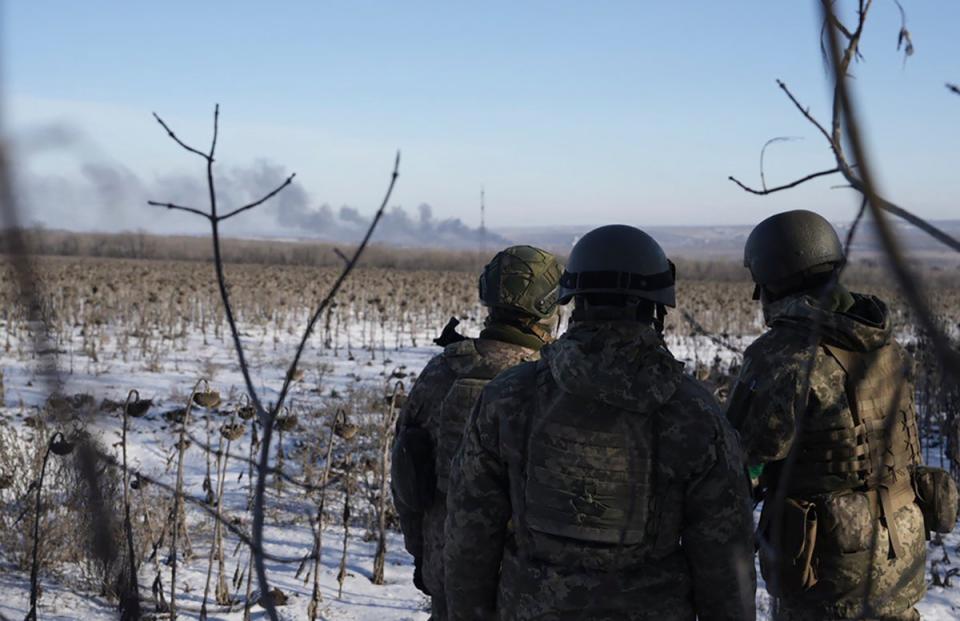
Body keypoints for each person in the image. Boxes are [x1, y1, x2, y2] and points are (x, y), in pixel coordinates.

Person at [444, 224, 756, 620]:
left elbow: (470, 537)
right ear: (656, 307)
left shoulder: (507, 398)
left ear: (572, 300)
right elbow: (725, 564)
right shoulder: (695, 414)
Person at [726, 209, 935, 620]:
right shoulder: (886, 345)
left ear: (771, 279)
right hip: (903, 556)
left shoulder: (783, 357)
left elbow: (738, 458)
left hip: (829, 573)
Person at [391, 245, 563, 620]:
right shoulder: (556, 383)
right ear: (550, 307)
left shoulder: (443, 371)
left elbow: (406, 477)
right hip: (531, 587)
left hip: (449, 574)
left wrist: (424, 554)